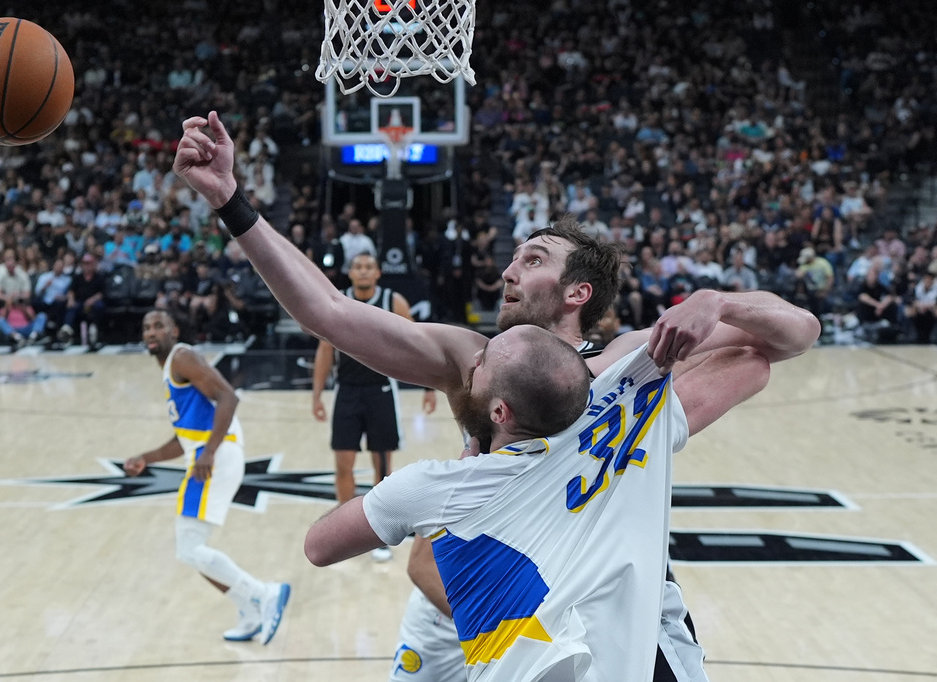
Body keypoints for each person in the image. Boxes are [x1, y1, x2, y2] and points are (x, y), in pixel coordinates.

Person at [171, 111, 820, 681]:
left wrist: (721, 300)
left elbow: (792, 338)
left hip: (614, 611)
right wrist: (232, 202)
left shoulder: (631, 363)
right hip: (477, 615)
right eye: (514, 257)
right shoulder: (471, 358)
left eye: (533, 259)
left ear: (578, 293)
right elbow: (330, 312)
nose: (509, 269)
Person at [305, 324, 766, 681]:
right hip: (623, 655)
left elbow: (319, 545)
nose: (474, 361)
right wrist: (716, 304)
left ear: (499, 412)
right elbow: (758, 360)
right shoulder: (624, 424)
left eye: (482, 364)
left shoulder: (441, 488)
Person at [124, 310, 291, 643]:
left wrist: (210, 451)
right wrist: (148, 458)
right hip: (207, 455)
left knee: (188, 547)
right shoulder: (171, 369)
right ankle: (249, 609)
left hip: (215, 458)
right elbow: (185, 437)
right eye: (146, 327)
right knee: (191, 548)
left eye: (159, 325)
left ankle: (263, 594)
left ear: (174, 329)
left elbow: (229, 396)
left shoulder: (182, 357)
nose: (151, 332)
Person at [311, 252, 437, 561]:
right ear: (350, 273)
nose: (363, 271)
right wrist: (316, 395)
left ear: (378, 273)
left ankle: (378, 535)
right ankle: (343, 532)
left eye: (369, 267)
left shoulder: (393, 301)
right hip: (347, 392)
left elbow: (419, 344)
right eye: (358, 267)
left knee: (382, 469)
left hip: (381, 391)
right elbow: (325, 350)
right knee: (343, 464)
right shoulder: (337, 302)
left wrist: (429, 386)